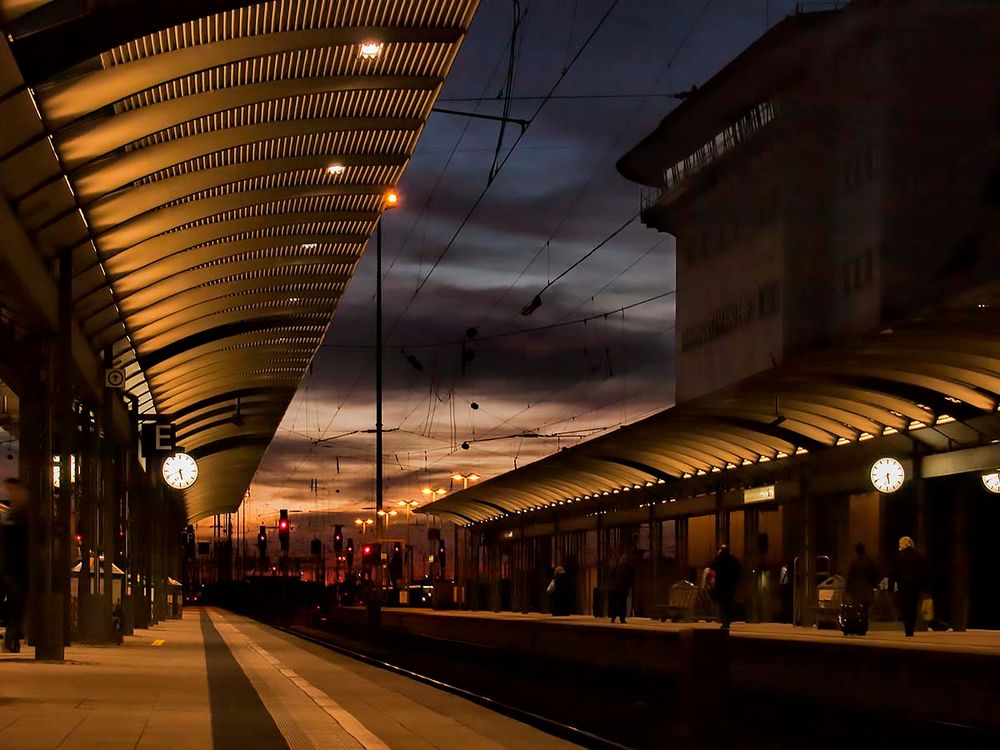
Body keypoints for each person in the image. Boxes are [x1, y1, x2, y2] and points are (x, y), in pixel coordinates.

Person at [1, 478, 29, 653]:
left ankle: (12, 638)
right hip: (12, 566)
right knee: (15, 604)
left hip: (17, 567)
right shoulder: (12, 513)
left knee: (16, 603)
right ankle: (12, 638)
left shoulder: (20, 514)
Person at [889, 536, 928, 637]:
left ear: (904, 544)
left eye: (900, 544)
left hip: (903, 586)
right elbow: (924, 572)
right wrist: (925, 587)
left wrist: (890, 586)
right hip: (916, 586)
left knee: (905, 606)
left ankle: (907, 629)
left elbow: (893, 572)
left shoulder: (899, 556)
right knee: (913, 606)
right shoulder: (919, 556)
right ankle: (911, 628)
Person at [845, 542, 879, 628]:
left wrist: (847, 589)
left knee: (857, 609)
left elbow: (849, 576)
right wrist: (874, 584)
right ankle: (865, 624)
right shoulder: (870, 562)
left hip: (856, 589)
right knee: (865, 608)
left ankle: (859, 625)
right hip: (867, 588)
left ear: (856, 552)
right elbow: (875, 574)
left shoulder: (854, 563)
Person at [709, 544, 742, 631]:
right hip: (730, 585)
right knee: (729, 604)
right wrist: (736, 582)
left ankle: (725, 621)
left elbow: (712, 566)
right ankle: (728, 620)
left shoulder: (719, 560)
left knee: (723, 605)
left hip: (721, 585)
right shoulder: (734, 560)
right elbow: (739, 572)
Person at [608, 553, 634, 624]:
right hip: (619, 589)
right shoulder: (626, 568)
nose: (624, 561)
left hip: (620, 589)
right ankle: (619, 618)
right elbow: (631, 579)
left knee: (618, 604)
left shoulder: (619, 567)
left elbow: (611, 575)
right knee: (620, 604)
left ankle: (617, 618)